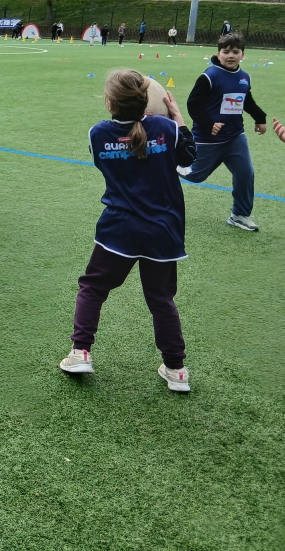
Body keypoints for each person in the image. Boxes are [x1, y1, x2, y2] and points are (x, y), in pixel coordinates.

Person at [59, 69, 196, 393]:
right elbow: (190, 158)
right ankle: (176, 369)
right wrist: (178, 119)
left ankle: (80, 352)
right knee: (162, 300)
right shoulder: (165, 128)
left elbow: (108, 161)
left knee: (93, 287)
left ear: (109, 103)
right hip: (163, 231)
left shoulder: (97, 134)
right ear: (149, 103)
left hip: (119, 230)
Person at [181, 32, 267, 231]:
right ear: (218, 54)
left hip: (235, 137)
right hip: (208, 139)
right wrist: (208, 124)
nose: (230, 55)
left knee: (246, 173)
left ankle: (239, 215)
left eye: (235, 52)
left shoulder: (244, 77)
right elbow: (193, 104)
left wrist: (260, 118)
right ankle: (168, 162)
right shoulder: (209, 76)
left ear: (243, 55)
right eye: (226, 51)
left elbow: (246, 100)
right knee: (195, 176)